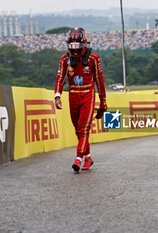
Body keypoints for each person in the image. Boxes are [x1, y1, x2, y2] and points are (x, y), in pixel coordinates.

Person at [54, 27, 107, 173]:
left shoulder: (93, 59)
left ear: (84, 44)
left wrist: (103, 101)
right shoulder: (65, 59)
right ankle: (88, 156)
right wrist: (57, 95)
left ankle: (78, 158)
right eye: (72, 46)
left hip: (88, 95)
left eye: (77, 46)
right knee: (78, 129)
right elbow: (60, 78)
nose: (75, 49)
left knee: (84, 128)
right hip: (72, 96)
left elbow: (99, 80)